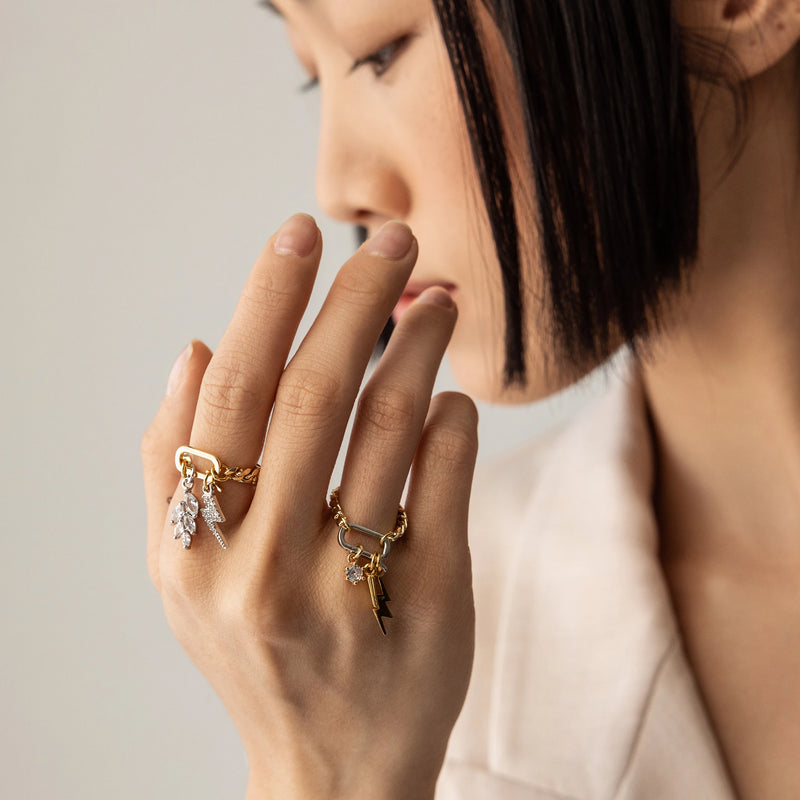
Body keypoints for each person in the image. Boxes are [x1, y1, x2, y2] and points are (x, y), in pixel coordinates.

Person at [141, 0, 800, 797]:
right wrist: (327, 773)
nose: (339, 184)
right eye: (315, 79)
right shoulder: (384, 647)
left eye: (379, 52)